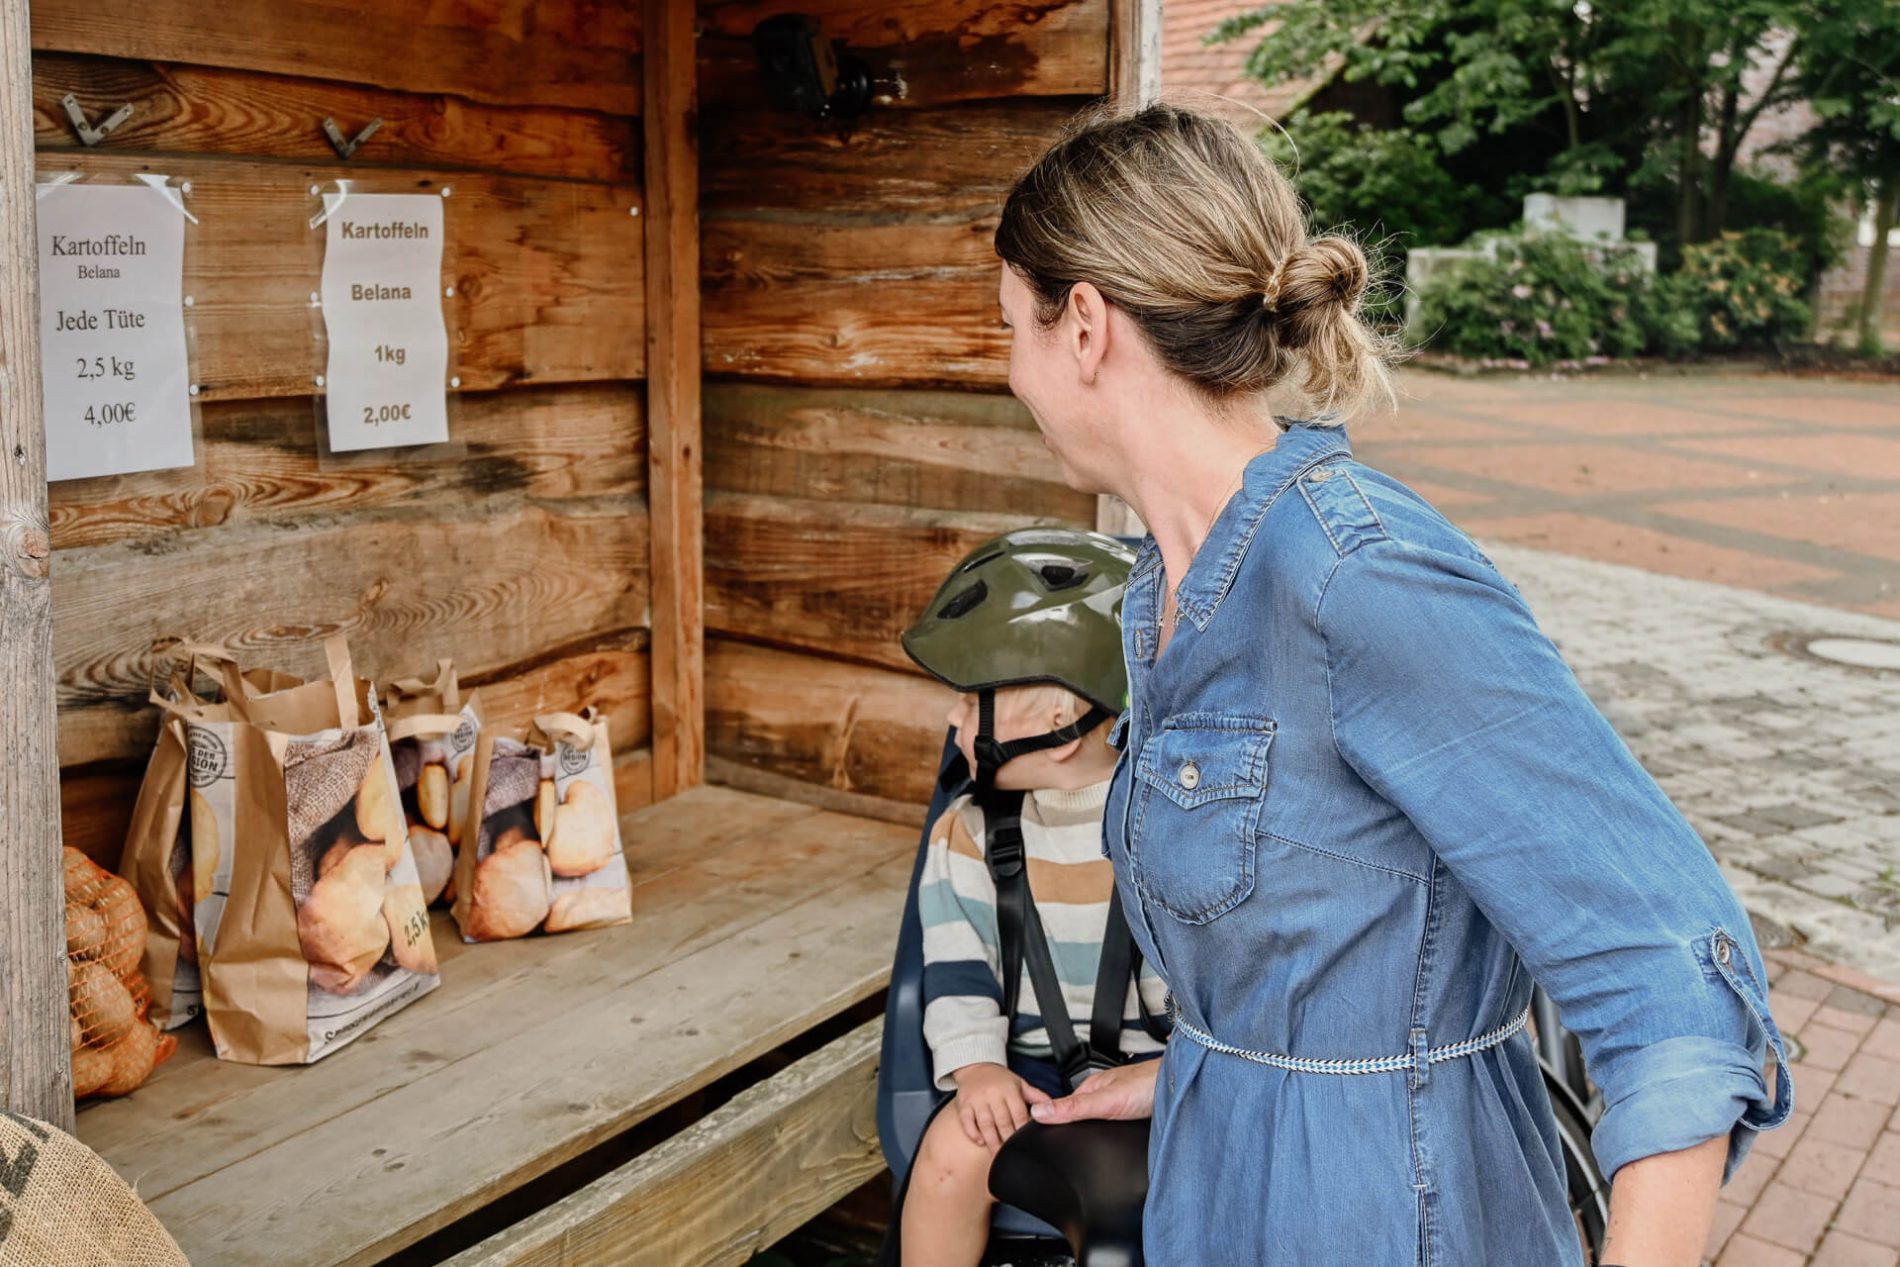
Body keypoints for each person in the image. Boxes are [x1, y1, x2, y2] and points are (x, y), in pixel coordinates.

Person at [993, 102, 1792, 1267]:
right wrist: (1222, 1065)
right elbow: (1340, 916)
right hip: (1223, 1185)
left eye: (1008, 324)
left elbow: (1669, 977)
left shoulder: (1357, 574)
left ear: (1083, 327)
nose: (1006, 372)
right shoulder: (1168, 586)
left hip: (1391, 1215)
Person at [897, 528, 1169, 1267]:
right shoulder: (971, 833)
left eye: (971, 700)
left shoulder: (1173, 826)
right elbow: (955, 967)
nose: (953, 723)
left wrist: (1182, 1077)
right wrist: (978, 1068)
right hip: (1025, 1074)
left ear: (1058, 726)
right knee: (951, 1154)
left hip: (1167, 1079)